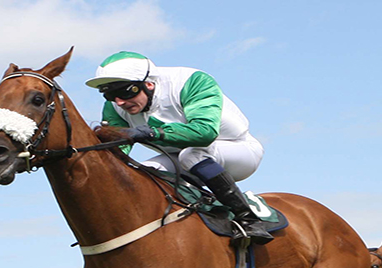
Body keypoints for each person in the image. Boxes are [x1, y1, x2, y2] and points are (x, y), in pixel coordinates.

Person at [85, 51, 271, 244]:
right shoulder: (115, 107)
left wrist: (152, 132)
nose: (120, 102)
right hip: (179, 159)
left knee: (191, 155)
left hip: (237, 151)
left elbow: (205, 132)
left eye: (125, 92)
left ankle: (248, 219)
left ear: (149, 84)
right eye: (110, 95)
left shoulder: (191, 81)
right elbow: (116, 153)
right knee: (144, 173)